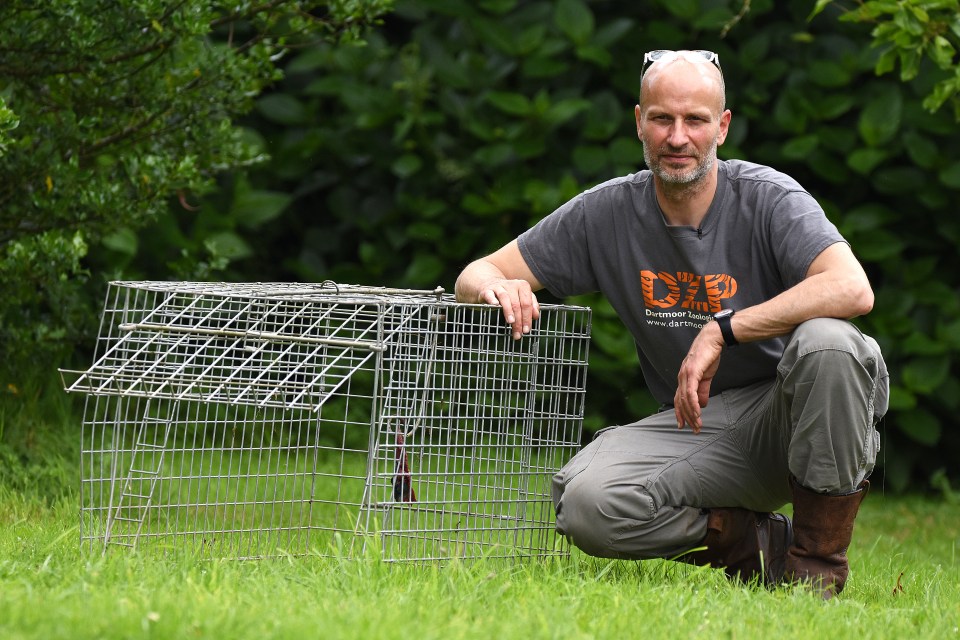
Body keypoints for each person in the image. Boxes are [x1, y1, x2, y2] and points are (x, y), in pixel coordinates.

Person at [454, 49, 888, 599]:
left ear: (722, 127)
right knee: (587, 506)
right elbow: (478, 271)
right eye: (662, 119)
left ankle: (817, 569)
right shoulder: (607, 212)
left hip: (803, 413)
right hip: (704, 427)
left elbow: (852, 288)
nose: (677, 137)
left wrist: (722, 329)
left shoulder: (770, 197)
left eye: (695, 120)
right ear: (639, 121)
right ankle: (757, 546)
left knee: (830, 341)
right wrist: (497, 286)